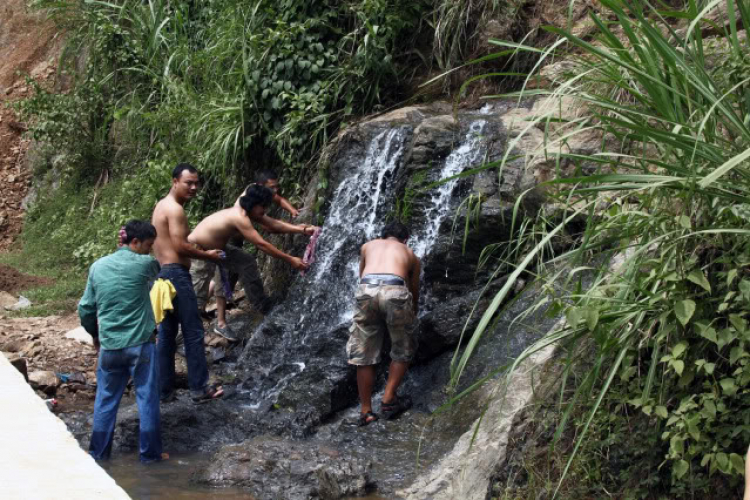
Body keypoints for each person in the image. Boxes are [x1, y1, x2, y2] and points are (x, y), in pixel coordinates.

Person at [79, 220, 168, 463]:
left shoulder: (97, 266)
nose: (149, 251)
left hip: (109, 347)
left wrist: (95, 336)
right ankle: (150, 457)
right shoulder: (146, 264)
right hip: (140, 344)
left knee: (106, 400)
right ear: (135, 242)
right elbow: (157, 273)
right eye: (148, 245)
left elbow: (86, 308)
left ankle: (98, 455)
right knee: (147, 398)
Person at [189, 185, 316, 339]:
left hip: (218, 249)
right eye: (263, 208)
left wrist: (301, 230)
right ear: (255, 205)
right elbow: (262, 244)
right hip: (198, 251)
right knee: (195, 299)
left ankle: (263, 305)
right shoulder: (239, 216)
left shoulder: (248, 210)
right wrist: (290, 260)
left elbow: (272, 225)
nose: (265, 212)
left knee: (246, 262)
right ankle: (186, 339)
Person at [151, 163, 224, 403]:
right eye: (188, 183)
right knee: (193, 331)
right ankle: (200, 388)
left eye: (196, 183)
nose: (194, 187)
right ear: (174, 181)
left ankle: (164, 391)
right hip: (176, 274)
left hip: (163, 275)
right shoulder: (176, 210)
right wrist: (209, 255)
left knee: (168, 333)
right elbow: (181, 245)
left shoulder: (161, 206)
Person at [347, 221, 421, 426]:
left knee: (363, 353)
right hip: (394, 289)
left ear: (382, 236)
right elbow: (413, 289)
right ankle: (388, 398)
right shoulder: (410, 253)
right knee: (403, 347)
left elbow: (362, 276)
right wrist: (412, 311)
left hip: (367, 289)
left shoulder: (368, 246)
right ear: (405, 240)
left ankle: (366, 411)